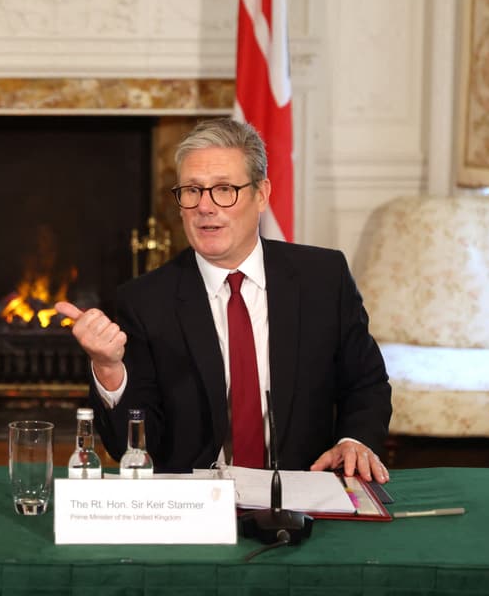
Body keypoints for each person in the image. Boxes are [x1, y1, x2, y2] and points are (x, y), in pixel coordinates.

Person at [56, 118, 392, 482]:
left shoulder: (323, 278)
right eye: (192, 190)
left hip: (302, 488)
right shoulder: (145, 300)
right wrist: (108, 369)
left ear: (261, 194)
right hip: (195, 503)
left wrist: (353, 439)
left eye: (224, 190)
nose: (205, 206)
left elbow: (366, 382)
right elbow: (134, 450)